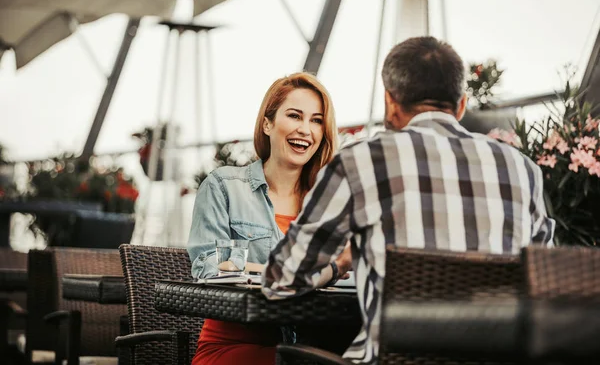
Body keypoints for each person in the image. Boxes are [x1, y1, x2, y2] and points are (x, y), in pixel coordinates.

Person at [262, 36, 555, 364]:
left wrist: (338, 264)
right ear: (461, 104)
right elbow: (543, 283)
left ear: (390, 103)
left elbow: (281, 279)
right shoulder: (521, 169)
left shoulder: (362, 162)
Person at [187, 72, 340, 365]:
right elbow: (207, 267)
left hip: (307, 346)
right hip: (235, 348)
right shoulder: (224, 186)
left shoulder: (327, 204)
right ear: (268, 123)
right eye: (295, 116)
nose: (306, 129)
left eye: (317, 120)